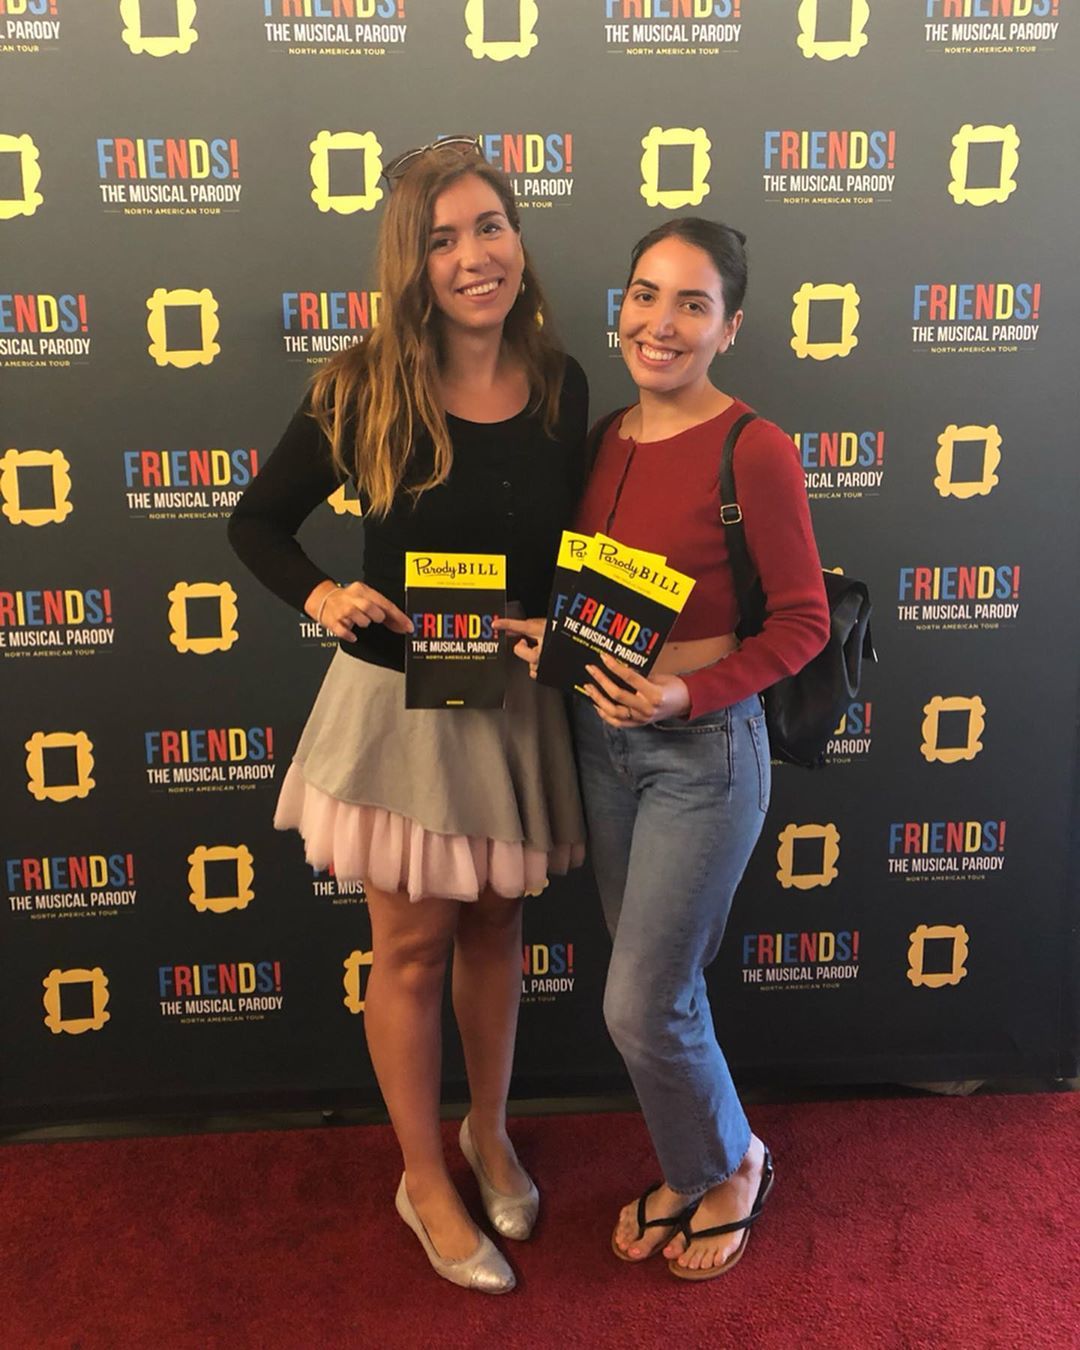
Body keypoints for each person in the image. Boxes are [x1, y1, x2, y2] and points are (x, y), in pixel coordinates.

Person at [228, 139, 588, 1294]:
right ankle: (423, 1176)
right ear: (412, 263)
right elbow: (256, 523)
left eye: (490, 226)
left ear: (518, 237)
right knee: (414, 947)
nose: (473, 257)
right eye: (442, 240)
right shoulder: (362, 384)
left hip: (513, 706)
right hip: (401, 708)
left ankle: (489, 1131)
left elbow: (578, 553)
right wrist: (324, 596)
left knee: (497, 927)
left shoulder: (565, 385)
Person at [500, 218, 829, 1281]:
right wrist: (549, 641)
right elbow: (603, 596)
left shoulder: (753, 448)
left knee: (641, 1002)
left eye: (693, 303)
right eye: (647, 294)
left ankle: (727, 1167)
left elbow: (803, 624)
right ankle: (712, 1163)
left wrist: (688, 692)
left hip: (705, 755)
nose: (662, 322)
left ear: (730, 328)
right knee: (663, 991)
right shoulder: (606, 440)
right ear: (622, 308)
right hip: (604, 748)